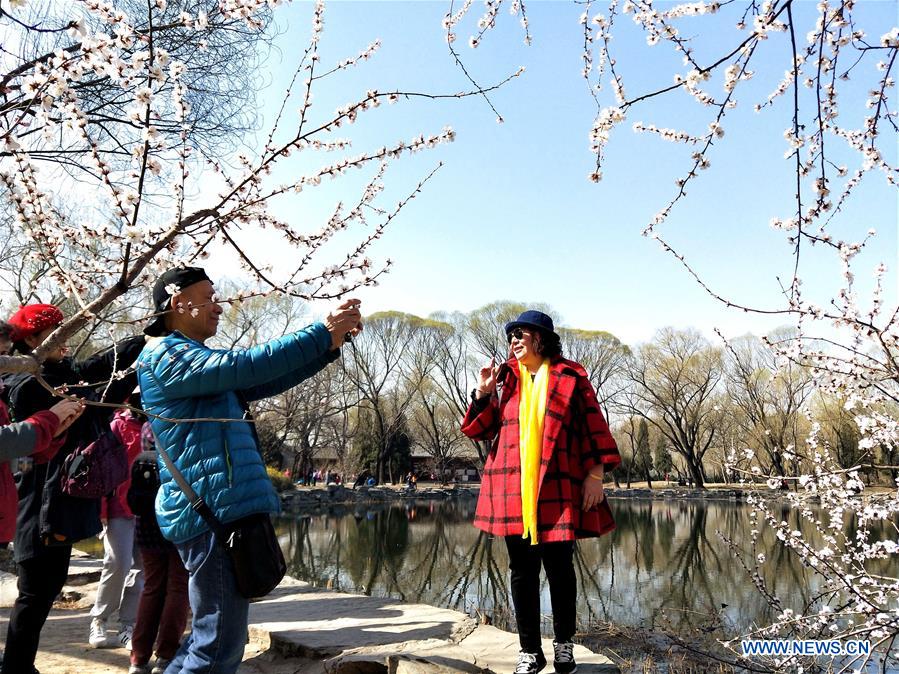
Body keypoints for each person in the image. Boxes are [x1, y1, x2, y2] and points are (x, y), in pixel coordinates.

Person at [137, 266, 362, 674]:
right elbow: (247, 365)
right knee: (217, 648)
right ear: (178, 303)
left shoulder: (194, 360)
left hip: (219, 510)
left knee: (210, 640)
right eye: (209, 298)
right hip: (212, 513)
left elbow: (266, 377)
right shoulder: (166, 353)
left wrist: (329, 344)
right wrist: (320, 332)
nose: (218, 307)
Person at [461, 310, 621, 674]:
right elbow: (480, 430)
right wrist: (483, 393)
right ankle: (530, 652)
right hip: (512, 487)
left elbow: (593, 425)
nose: (514, 340)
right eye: (511, 336)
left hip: (558, 484)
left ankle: (564, 646)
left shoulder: (570, 376)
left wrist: (595, 475)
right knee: (522, 571)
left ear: (541, 338)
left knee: (561, 570)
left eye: (521, 334)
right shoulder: (506, 379)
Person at [1, 304, 145, 674]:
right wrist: (137, 369)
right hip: (38, 503)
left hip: (58, 504)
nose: (65, 341)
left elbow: (97, 372)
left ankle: (18, 665)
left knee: (44, 590)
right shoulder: (27, 384)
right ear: (33, 340)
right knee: (35, 592)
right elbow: (91, 399)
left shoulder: (58, 375)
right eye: (57, 334)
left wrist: (144, 339)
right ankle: (15, 667)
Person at [126, 422, 189, 674]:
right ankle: (166, 654)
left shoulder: (147, 427)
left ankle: (138, 656)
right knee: (178, 588)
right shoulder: (183, 425)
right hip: (177, 523)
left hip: (147, 525)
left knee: (152, 587)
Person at [88, 392, 147, 649]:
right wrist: (101, 509)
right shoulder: (117, 425)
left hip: (149, 508)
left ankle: (128, 626)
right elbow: (102, 470)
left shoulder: (159, 424)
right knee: (117, 563)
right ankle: (99, 619)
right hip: (119, 507)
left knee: (142, 568)